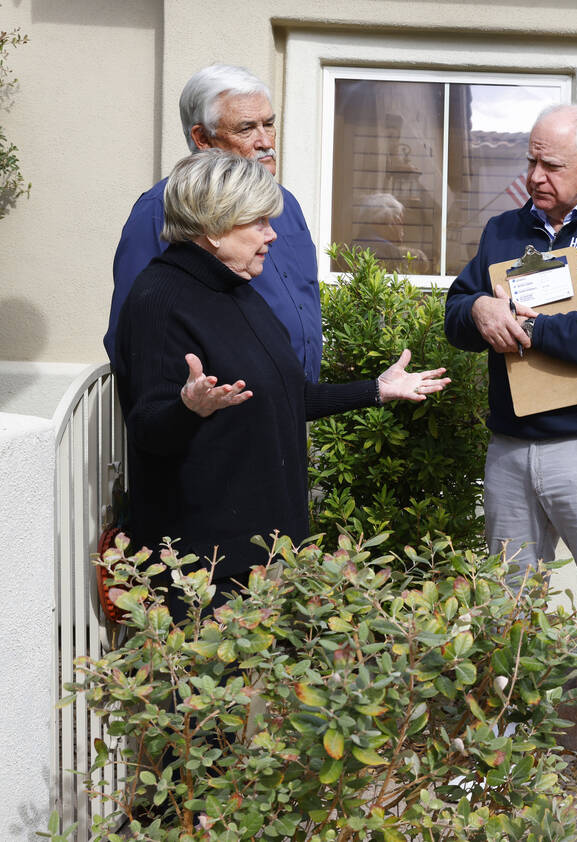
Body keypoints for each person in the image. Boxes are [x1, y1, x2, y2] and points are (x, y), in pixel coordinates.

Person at [443, 103, 577, 842]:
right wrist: (477, 309)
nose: (534, 177)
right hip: (510, 452)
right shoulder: (505, 230)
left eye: (551, 165)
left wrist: (528, 327)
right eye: (530, 161)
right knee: (502, 617)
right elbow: (453, 308)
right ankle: (494, 765)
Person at [113, 150, 449, 621]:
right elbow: (148, 425)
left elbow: (285, 396)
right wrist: (189, 407)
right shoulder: (159, 299)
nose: (272, 234)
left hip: (270, 549)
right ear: (214, 226)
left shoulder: (238, 290)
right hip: (210, 566)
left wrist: (375, 389)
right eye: (258, 222)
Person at [106, 64, 323, 382]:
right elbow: (133, 334)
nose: (265, 141)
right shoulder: (162, 208)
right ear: (202, 138)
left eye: (269, 124)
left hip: (291, 411)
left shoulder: (286, 203)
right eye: (247, 128)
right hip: (220, 417)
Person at [350, 192, 433, 274]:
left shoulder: (352, 248)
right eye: (400, 219)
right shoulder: (389, 252)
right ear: (391, 221)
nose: (401, 225)